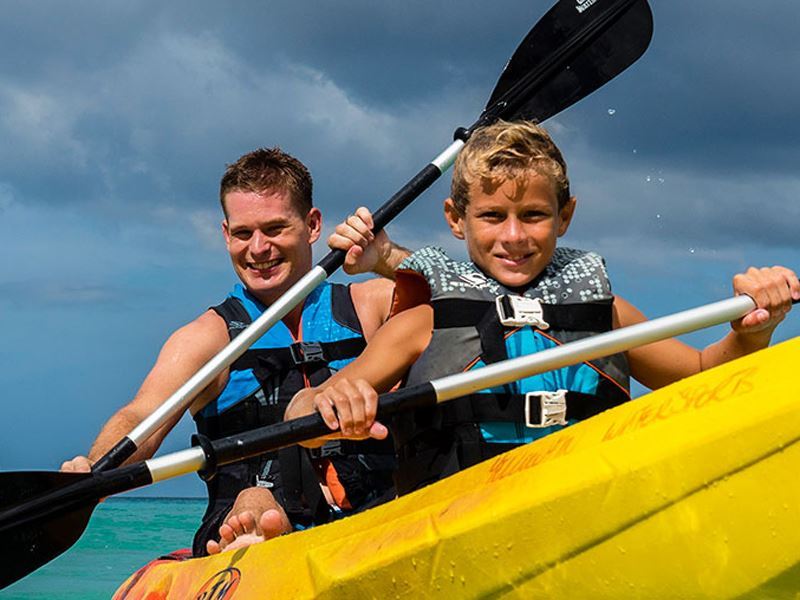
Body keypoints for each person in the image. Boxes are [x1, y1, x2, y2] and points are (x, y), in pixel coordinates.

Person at [284, 119, 800, 498]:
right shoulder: (425, 321)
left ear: (565, 216)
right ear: (456, 219)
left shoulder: (607, 315)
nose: (513, 236)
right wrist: (335, 406)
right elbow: (301, 414)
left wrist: (752, 331)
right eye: (492, 216)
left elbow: (706, 376)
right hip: (455, 520)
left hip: (589, 503)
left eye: (533, 215)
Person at [61, 148, 411, 555]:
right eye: (243, 233)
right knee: (254, 500)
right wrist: (92, 471)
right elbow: (142, 417)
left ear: (313, 225)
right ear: (226, 234)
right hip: (238, 531)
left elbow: (467, 302)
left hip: (378, 518)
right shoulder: (206, 338)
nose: (258, 248)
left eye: (275, 228)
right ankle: (260, 522)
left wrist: (385, 258)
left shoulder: (370, 306)